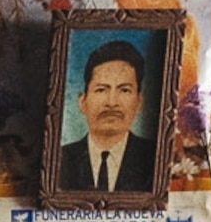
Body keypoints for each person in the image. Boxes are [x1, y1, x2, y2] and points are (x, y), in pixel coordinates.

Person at [56, 36, 157, 193]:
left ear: (139, 102)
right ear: (82, 101)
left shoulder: (154, 157)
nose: (111, 102)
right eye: (101, 90)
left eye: (124, 90)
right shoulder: (60, 159)